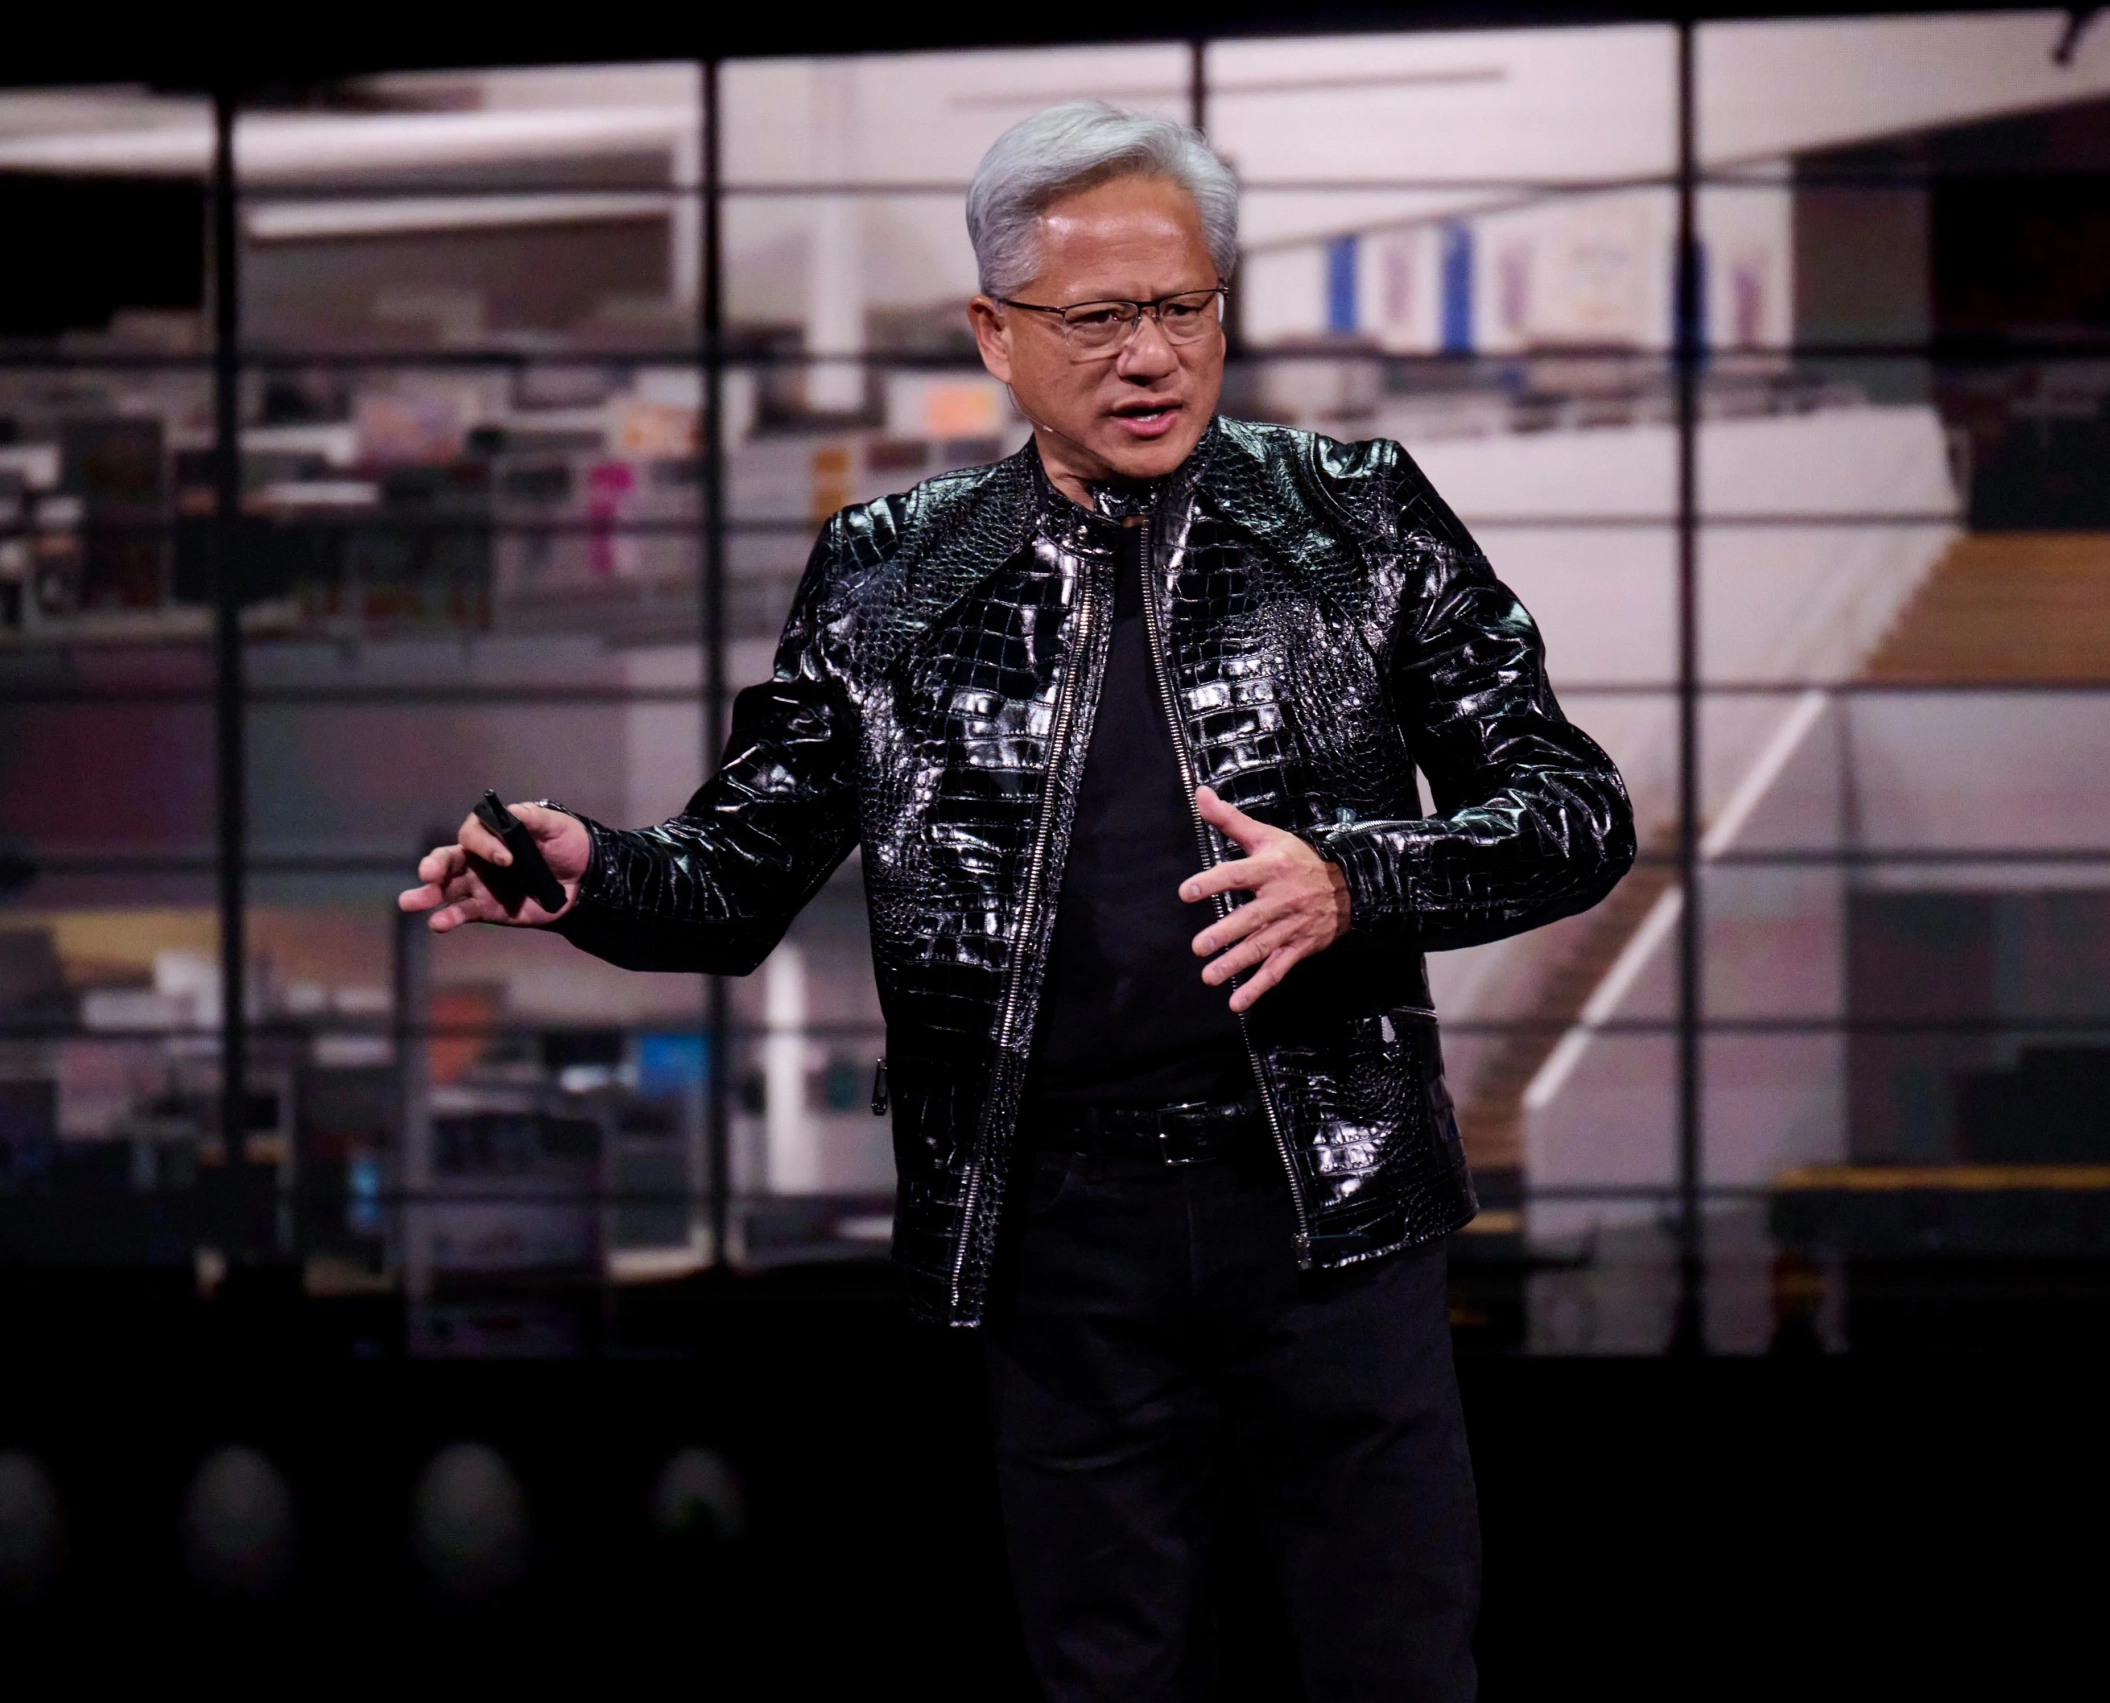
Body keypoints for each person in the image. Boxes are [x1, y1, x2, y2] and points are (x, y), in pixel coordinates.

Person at [400, 100, 1633, 1703]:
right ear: (995, 332)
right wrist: (593, 870)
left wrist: (1357, 878)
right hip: (1058, 1229)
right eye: (1097, 318)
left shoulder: (1357, 514)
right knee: (1106, 1676)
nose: (1151, 356)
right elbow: (734, 875)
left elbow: (1575, 811)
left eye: (1182, 307)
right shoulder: (892, 570)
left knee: (1395, 1666)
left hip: (1331, 1205)